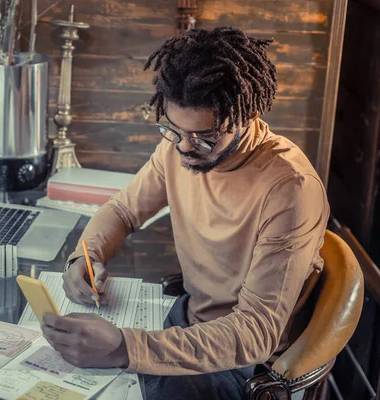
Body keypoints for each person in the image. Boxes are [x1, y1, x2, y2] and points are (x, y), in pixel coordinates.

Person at [40, 26, 330, 400]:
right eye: (172, 129)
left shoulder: (290, 190)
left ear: (247, 114)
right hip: (185, 321)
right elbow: (124, 210)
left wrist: (124, 348)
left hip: (243, 366)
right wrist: (87, 255)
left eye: (205, 136)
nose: (185, 148)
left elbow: (255, 333)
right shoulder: (178, 146)